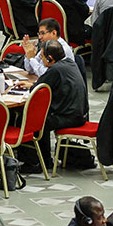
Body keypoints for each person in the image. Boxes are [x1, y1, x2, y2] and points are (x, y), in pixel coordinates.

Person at [32, 40, 88, 172]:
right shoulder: (70, 63)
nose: (42, 60)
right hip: (79, 113)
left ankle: (43, 162)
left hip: (70, 117)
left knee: (39, 122)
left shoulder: (55, 70)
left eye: (42, 57)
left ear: (50, 58)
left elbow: (36, 90)